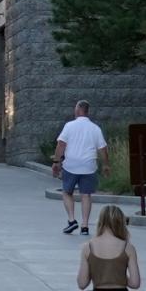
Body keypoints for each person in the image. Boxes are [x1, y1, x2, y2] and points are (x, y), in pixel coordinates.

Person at [54, 100, 108, 236]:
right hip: (89, 166)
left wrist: (56, 162)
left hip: (71, 165)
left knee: (67, 192)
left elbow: (61, 144)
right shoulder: (95, 128)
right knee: (86, 195)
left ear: (78, 110)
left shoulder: (69, 126)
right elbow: (103, 148)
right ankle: (85, 226)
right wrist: (106, 164)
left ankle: (72, 220)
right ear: (87, 111)